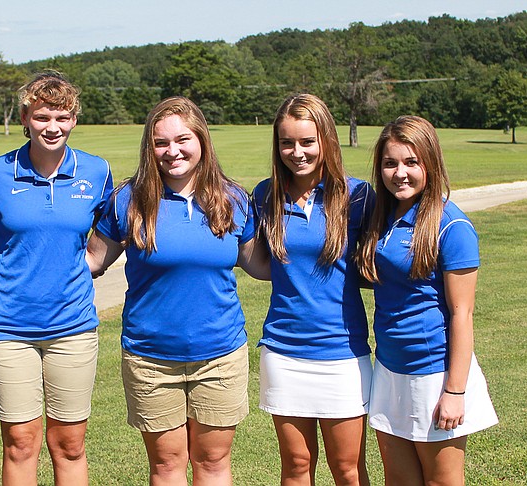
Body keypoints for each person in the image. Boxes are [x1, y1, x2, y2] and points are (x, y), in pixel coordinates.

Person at [86, 96, 269, 486]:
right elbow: (92, 261)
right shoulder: (128, 200)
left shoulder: (233, 200)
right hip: (151, 359)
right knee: (167, 466)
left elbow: (260, 266)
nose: (173, 151)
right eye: (160, 143)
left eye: (183, 139)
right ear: (149, 148)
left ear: (201, 139)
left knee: (213, 463)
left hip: (220, 355)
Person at [0, 72, 113, 486]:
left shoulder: (96, 171)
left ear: (74, 119)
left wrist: (94, 264)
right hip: (7, 327)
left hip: (72, 328)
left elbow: (112, 232)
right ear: (26, 117)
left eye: (63, 117)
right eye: (43, 116)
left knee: (69, 444)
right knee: (20, 442)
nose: (53, 127)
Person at [357, 115, 498, 485]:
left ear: (430, 164)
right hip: (389, 368)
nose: (399, 173)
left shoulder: (453, 226)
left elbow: (462, 313)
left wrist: (454, 390)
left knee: (441, 482)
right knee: (399, 481)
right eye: (390, 163)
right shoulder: (384, 216)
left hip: (434, 374)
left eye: (411, 162)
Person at [251, 94, 373, 485]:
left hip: (342, 351)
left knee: (347, 469)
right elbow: (259, 260)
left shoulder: (358, 196)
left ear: (327, 142)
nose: (297, 152)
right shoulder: (264, 195)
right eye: (288, 142)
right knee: (297, 465)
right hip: (284, 351)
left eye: (308, 142)